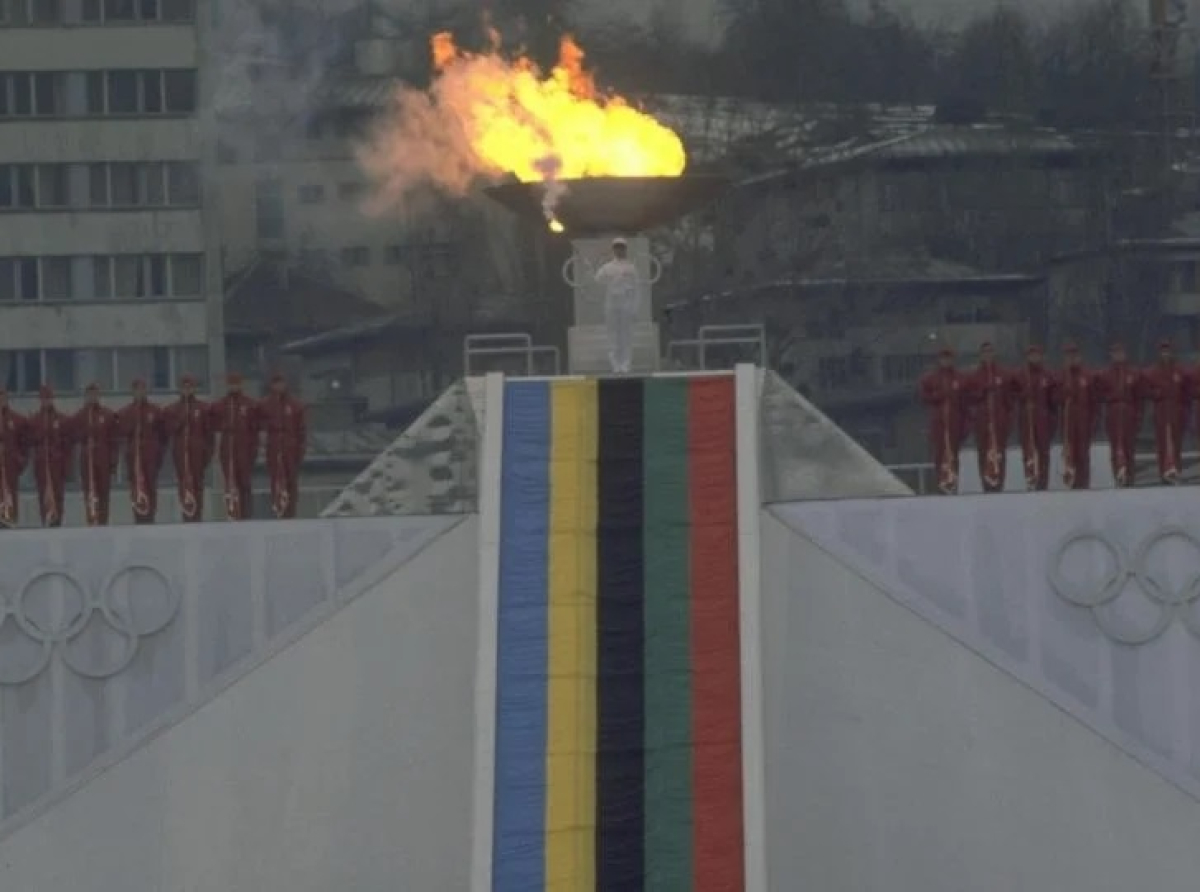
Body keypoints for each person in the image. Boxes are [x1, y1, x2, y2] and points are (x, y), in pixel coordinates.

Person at [918, 346, 969, 495]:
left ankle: (953, 483)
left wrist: (966, 425)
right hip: (938, 422)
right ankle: (941, 484)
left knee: (953, 454)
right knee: (940, 454)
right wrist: (938, 395)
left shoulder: (960, 378)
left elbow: (965, 403)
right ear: (939, 360)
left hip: (955, 422)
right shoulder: (930, 378)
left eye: (949, 358)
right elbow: (923, 397)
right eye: (943, 358)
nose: (946, 361)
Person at [211, 373, 261, 521]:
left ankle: (246, 515)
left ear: (241, 384)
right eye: (231, 383)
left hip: (244, 450)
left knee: (245, 484)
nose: (234, 386)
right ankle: (232, 513)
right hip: (228, 450)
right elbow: (213, 426)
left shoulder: (249, 404)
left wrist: (253, 451)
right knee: (230, 484)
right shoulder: (221, 405)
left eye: (236, 383)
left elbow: (255, 430)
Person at [163, 374, 212, 522]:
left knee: (197, 483)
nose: (187, 390)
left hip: (197, 451)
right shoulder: (172, 409)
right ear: (180, 389)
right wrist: (180, 421)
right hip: (180, 452)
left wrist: (207, 454)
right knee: (183, 482)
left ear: (194, 388)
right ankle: (187, 515)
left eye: (190, 387)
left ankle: (198, 516)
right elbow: (167, 430)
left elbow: (209, 434)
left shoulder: (202, 408)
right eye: (184, 387)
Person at [118, 378, 167, 524]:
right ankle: (138, 515)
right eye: (137, 389)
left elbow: (163, 435)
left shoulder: (155, 411)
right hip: (134, 455)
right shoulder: (126, 412)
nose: (140, 392)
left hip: (150, 454)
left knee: (151, 485)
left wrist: (158, 453)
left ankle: (150, 516)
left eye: (142, 389)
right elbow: (121, 434)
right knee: (136, 486)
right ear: (133, 392)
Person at [1094, 343, 1143, 488]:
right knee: (1116, 445)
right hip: (1113, 410)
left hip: (1128, 410)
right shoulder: (1105, 374)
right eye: (1115, 352)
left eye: (1120, 352)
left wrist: (1139, 415)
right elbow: (1098, 393)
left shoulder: (1133, 373)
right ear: (1111, 355)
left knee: (1129, 447)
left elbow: (1139, 397)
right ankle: (1118, 475)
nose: (1118, 355)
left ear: (1125, 354)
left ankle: (1130, 478)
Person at [965, 341, 1011, 492]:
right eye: (985, 352)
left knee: (999, 453)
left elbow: (1009, 399)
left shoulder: (1003, 374)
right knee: (984, 453)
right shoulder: (975, 376)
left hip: (999, 421)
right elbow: (969, 397)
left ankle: (999, 484)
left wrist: (1007, 419)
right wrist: (982, 391)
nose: (988, 355)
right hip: (982, 422)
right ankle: (986, 486)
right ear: (980, 355)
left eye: (990, 351)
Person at [260, 373, 307, 519]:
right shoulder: (265, 404)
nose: (278, 386)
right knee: (276, 481)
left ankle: (291, 513)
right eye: (275, 383)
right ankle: (278, 511)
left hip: (290, 447)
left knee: (291, 482)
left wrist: (300, 451)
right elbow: (259, 424)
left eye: (281, 383)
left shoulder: (295, 405)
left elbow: (302, 431)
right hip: (274, 447)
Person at [1008, 344, 1055, 491]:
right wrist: (1022, 396)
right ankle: (1030, 480)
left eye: (1037, 354)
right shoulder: (1020, 375)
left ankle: (1043, 482)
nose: (1034, 358)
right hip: (1026, 417)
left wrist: (1052, 419)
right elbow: (1011, 393)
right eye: (1031, 355)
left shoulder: (1047, 375)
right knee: (1028, 450)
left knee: (1043, 452)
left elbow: (1052, 399)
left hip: (1043, 417)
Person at [71, 383, 119, 526]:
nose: (92, 397)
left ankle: (103, 522)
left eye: (95, 394)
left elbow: (114, 441)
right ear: (86, 396)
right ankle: (91, 520)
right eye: (89, 394)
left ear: (99, 396)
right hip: (87, 458)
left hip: (103, 457)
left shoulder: (107, 414)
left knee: (104, 492)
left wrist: (113, 462)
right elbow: (73, 435)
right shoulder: (80, 415)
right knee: (90, 492)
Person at [1144, 339, 1189, 484]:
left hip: (1176, 411)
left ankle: (1176, 470)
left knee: (1176, 443)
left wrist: (1183, 410)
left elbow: (1186, 392)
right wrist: (1155, 394)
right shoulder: (1153, 372)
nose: (1165, 354)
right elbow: (1146, 390)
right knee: (1162, 443)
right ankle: (1163, 472)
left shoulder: (1179, 371)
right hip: (1161, 411)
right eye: (1163, 351)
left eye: (1168, 351)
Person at [1052, 343, 1096, 490]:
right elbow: (1054, 399)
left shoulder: (1087, 376)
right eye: (1068, 355)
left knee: (1083, 453)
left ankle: (1083, 484)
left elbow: (1093, 401)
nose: (1072, 358)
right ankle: (1070, 482)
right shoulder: (1060, 377)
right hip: (1067, 420)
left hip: (1083, 420)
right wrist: (1064, 393)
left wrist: (1094, 422)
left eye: (1074, 355)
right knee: (1069, 452)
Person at [594, 236, 641, 374]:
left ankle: (626, 364)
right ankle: (615, 364)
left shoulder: (631, 268)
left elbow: (637, 289)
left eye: (622, 247)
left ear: (625, 249)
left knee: (626, 335)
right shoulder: (607, 267)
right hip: (611, 303)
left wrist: (635, 308)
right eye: (617, 247)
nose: (619, 250)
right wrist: (607, 282)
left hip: (626, 303)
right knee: (613, 335)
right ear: (613, 250)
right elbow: (597, 280)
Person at [27, 385, 71, 527]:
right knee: (43, 495)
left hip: (57, 463)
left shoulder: (62, 419)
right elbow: (29, 442)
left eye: (49, 398)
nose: (46, 401)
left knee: (58, 495)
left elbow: (67, 445)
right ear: (40, 400)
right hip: (41, 464)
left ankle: (57, 522)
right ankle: (45, 522)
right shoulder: (34, 420)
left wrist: (66, 465)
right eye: (43, 398)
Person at [0, 387, 28, 529]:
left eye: (2, 397)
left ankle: (10, 520)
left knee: (11, 492)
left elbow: (24, 443)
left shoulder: (16, 419)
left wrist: (20, 460)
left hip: (10, 465)